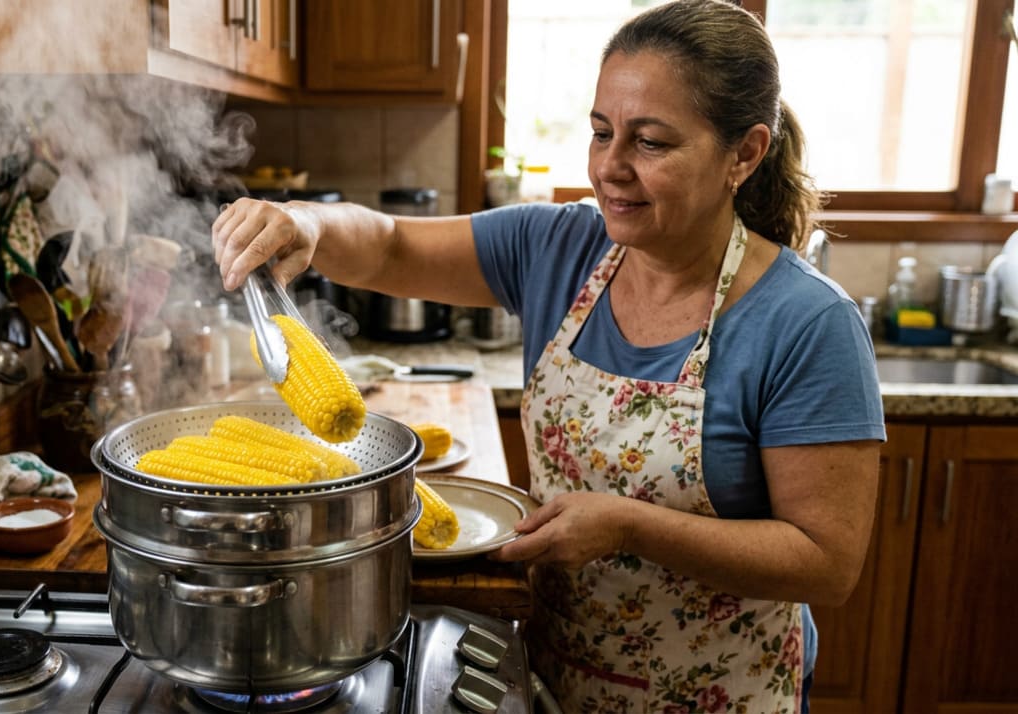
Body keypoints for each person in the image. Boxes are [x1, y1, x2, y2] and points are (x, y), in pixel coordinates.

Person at [211, 1, 884, 711]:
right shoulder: (560, 249)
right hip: (554, 679)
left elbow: (826, 563)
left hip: (720, 695)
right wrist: (305, 222)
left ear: (744, 154)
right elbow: (388, 243)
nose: (609, 168)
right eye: (600, 133)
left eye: (650, 142)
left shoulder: (808, 323)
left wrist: (630, 525)